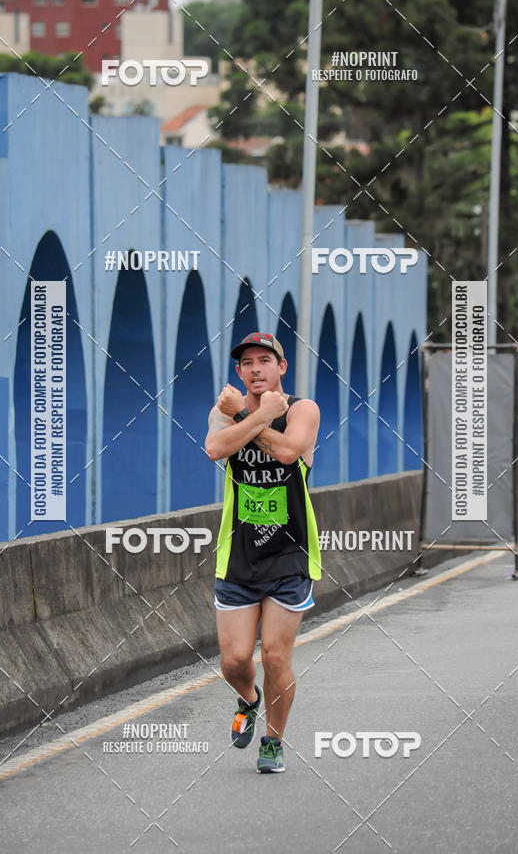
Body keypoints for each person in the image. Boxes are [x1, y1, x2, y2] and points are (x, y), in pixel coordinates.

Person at [205, 331, 321, 773]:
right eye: (247, 362)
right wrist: (248, 415)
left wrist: (251, 417)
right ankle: (249, 698)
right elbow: (216, 448)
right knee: (235, 661)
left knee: (275, 656)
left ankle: (273, 739)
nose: (255, 368)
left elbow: (291, 452)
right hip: (238, 554)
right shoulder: (224, 413)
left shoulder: (302, 409)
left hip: (290, 553)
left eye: (264, 360)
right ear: (239, 372)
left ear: (281, 367)